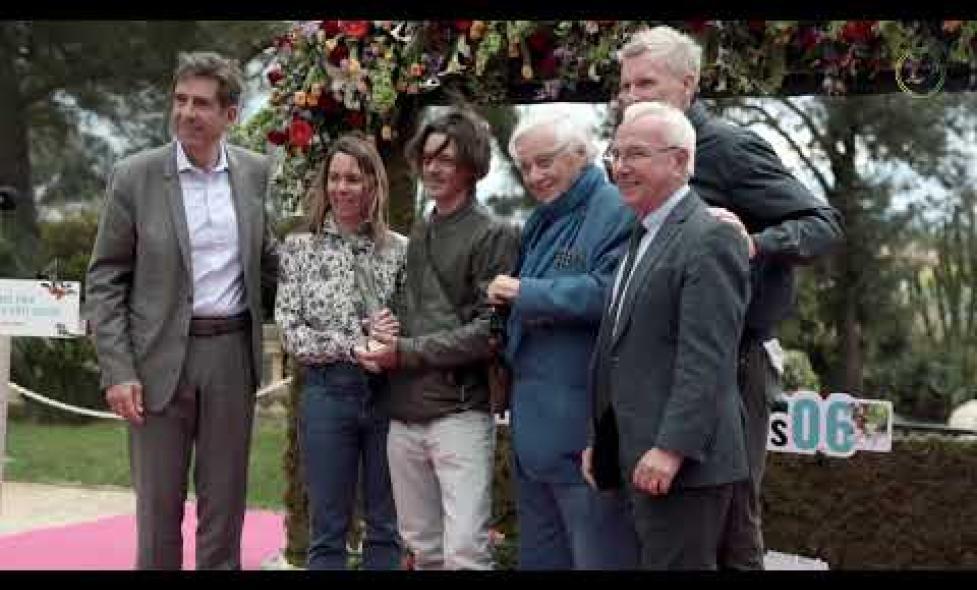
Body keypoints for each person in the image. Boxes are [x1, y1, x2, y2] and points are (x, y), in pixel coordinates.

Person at [615, 25, 845, 569]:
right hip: (666, 372)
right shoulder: (632, 160)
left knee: (733, 528)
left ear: (689, 83)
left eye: (646, 83)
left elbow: (824, 224)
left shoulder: (729, 148)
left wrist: (755, 243)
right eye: (624, 85)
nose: (631, 95)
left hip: (731, 367)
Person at [86, 52, 278, 569]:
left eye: (202, 104)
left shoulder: (254, 173)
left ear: (230, 115)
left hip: (232, 357)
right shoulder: (135, 176)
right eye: (181, 100)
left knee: (225, 509)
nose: (187, 113)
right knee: (157, 510)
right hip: (155, 363)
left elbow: (268, 263)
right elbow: (105, 279)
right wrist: (118, 370)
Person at [584, 101, 750, 570]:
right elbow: (622, 351)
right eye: (616, 155)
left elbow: (707, 360)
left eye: (636, 154)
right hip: (637, 459)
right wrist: (603, 440)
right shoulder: (641, 234)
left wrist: (671, 449)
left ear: (680, 161)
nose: (620, 167)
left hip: (684, 469)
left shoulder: (709, 237)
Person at [356, 107, 519, 570]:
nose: (433, 168)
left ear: (472, 165)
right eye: (427, 158)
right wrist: (384, 328)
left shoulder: (494, 233)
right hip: (404, 412)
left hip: (459, 414)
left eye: (446, 159)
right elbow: (419, 310)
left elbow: (490, 333)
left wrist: (403, 352)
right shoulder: (423, 226)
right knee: (423, 550)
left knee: (465, 552)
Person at [485, 109, 639, 569]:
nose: (534, 176)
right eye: (525, 167)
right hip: (534, 436)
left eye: (545, 162)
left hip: (583, 437)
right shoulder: (542, 219)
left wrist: (526, 293)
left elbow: (612, 293)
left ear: (581, 154)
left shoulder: (615, 209)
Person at [275, 133, 407, 570]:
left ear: (373, 183)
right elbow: (290, 332)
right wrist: (350, 345)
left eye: (353, 178)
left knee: (385, 526)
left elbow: (414, 323)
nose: (341, 187)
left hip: (387, 394)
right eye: (334, 177)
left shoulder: (399, 250)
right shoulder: (299, 248)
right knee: (328, 529)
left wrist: (391, 334)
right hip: (326, 393)